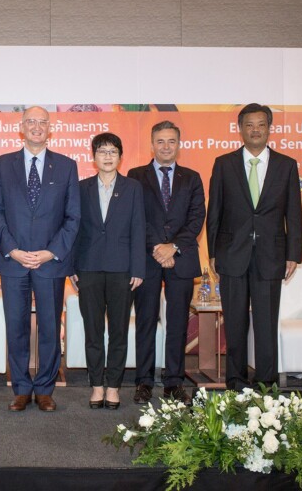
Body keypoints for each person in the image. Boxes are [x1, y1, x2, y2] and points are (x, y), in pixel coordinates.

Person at [0, 106, 80, 412]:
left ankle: (44, 388)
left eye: (43, 122)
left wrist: (51, 251)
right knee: (16, 327)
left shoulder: (66, 166)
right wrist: (12, 250)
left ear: (50, 128)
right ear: (22, 127)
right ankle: (21, 388)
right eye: (31, 121)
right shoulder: (2, 165)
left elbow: (73, 217)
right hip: (13, 261)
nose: (37, 126)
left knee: (49, 328)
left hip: (50, 262)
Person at [207, 103, 302, 390]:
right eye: (249, 125)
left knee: (266, 323)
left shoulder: (286, 165)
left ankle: (266, 383)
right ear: (240, 129)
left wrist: (293, 254)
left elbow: (293, 213)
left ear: (270, 128)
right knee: (235, 323)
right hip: (231, 254)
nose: (255, 130)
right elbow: (215, 211)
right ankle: (236, 382)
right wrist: (212, 253)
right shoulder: (224, 164)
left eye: (261, 124)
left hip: (271, 256)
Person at [127, 121, 205, 406]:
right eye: (160, 141)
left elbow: (197, 217)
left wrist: (174, 247)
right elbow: (135, 217)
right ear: (152, 144)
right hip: (146, 260)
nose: (166, 146)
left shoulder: (192, 178)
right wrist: (157, 247)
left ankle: (174, 382)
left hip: (181, 258)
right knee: (146, 321)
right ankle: (144, 382)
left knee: (178, 323)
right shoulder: (136, 176)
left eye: (171, 141)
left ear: (179, 144)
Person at [71, 132, 144, 410]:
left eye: (113, 151)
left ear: (121, 156)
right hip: (88, 268)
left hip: (122, 270)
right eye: (102, 151)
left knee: (118, 332)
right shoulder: (81, 188)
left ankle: (113, 386)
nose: (108, 156)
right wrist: (72, 267)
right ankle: (96, 386)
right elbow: (74, 228)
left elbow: (138, 227)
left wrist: (138, 268)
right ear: (93, 157)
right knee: (92, 331)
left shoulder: (133, 188)